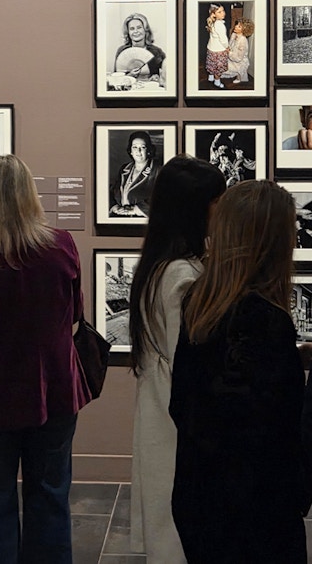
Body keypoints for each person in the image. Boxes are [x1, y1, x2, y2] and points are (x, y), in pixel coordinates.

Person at [0, 155, 90, 564]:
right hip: (56, 390)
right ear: (30, 194)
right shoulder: (62, 245)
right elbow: (75, 314)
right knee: (50, 500)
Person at [170, 180, 309, 563]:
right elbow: (270, 428)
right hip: (255, 510)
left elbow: (188, 400)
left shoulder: (201, 300)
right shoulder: (265, 318)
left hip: (199, 491)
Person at [129, 156, 226, 563]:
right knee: (178, 534)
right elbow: (192, 362)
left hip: (162, 415)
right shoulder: (182, 277)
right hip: (178, 424)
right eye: (217, 203)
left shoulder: (163, 266)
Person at [109, 131, 160, 218]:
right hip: (121, 220)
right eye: (135, 147)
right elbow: (111, 192)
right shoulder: (124, 169)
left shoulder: (157, 170)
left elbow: (161, 198)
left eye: (142, 147)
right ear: (130, 151)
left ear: (148, 150)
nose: (138, 151)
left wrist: (135, 210)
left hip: (144, 222)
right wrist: (114, 207)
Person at [114, 13, 166, 85]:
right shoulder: (122, 51)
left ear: (145, 30)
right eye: (132, 29)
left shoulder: (156, 52)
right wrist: (129, 76)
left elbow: (168, 75)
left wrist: (158, 78)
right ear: (128, 33)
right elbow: (116, 78)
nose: (136, 31)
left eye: (139, 27)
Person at [221, 18, 255, 84]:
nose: (236, 26)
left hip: (239, 61)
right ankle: (240, 76)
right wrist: (228, 49)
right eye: (237, 24)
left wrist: (229, 53)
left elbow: (239, 58)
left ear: (244, 30)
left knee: (226, 67)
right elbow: (230, 44)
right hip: (232, 57)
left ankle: (240, 77)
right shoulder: (234, 34)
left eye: (239, 26)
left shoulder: (243, 41)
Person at [205, 3, 229, 89]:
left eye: (223, 11)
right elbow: (224, 40)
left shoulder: (212, 21)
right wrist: (227, 47)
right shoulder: (219, 25)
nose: (223, 13)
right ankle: (217, 82)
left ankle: (211, 77)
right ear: (213, 14)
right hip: (219, 50)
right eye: (219, 12)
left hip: (211, 48)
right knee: (218, 67)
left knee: (212, 64)